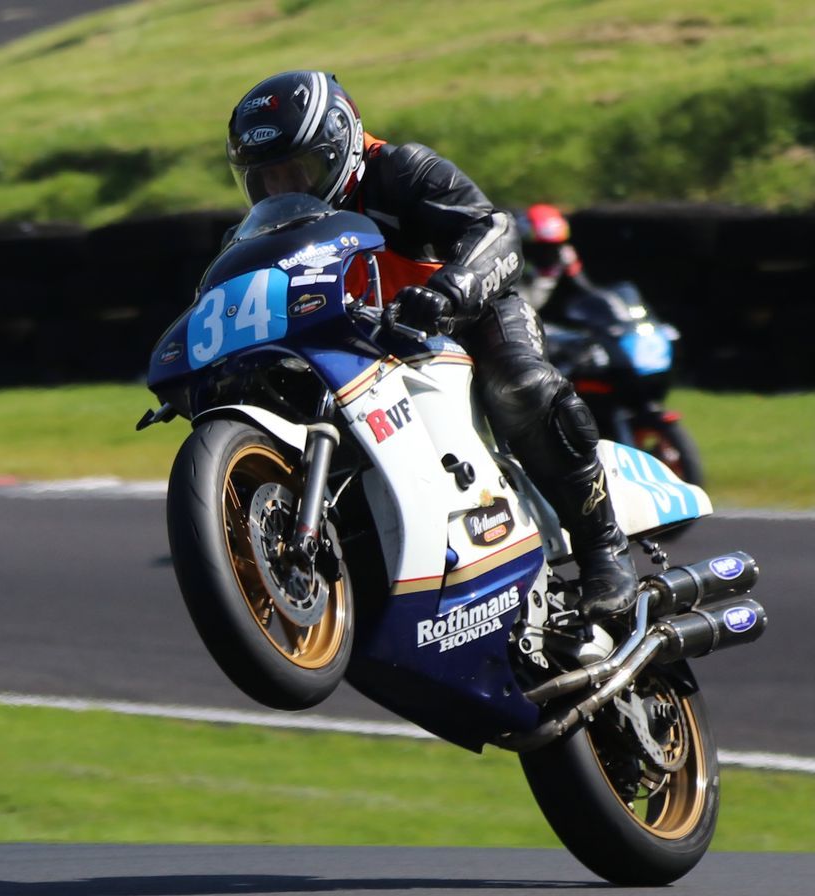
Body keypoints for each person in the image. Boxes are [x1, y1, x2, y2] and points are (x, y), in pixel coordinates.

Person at [223, 72, 636, 619]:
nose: (285, 191)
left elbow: (497, 230)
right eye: (268, 180)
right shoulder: (256, 236)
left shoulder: (400, 170)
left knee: (520, 385)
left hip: (464, 318)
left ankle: (603, 550)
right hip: (358, 350)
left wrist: (452, 287)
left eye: (297, 171)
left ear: (339, 145)